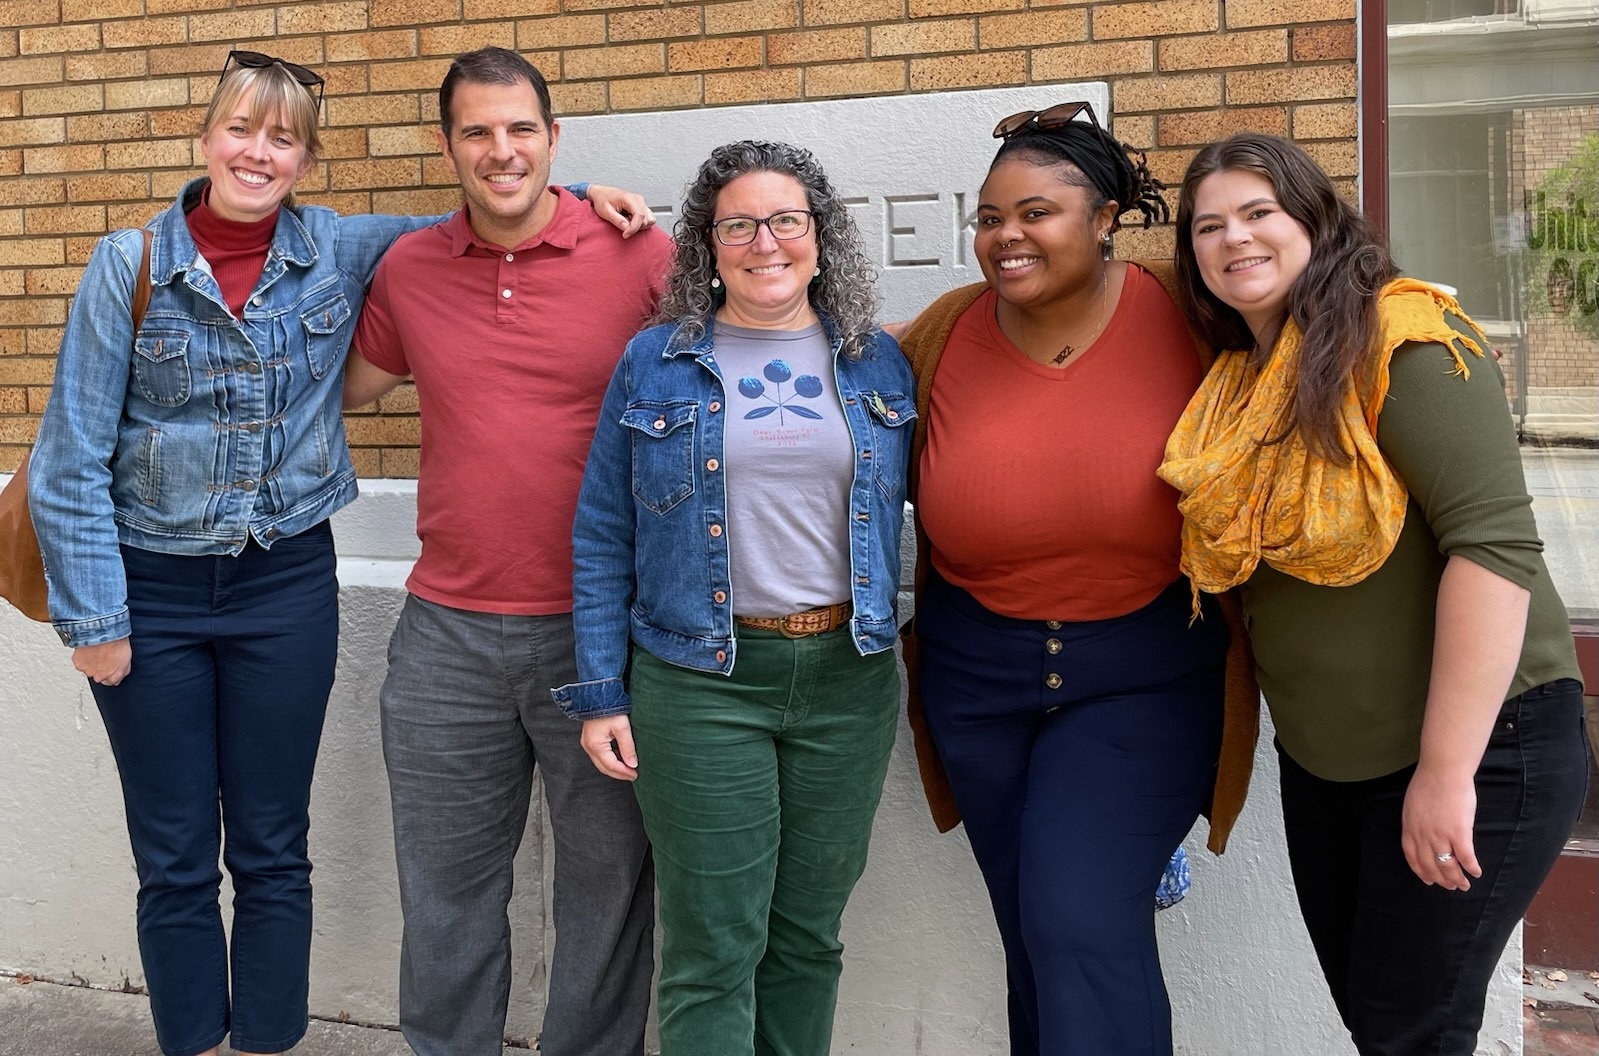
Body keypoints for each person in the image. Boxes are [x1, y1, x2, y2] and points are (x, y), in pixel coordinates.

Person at [25, 50, 647, 1056]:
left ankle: (272, 1040)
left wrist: (579, 195)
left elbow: (503, 210)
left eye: (282, 137)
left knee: (281, 851)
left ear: (307, 158)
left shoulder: (353, 247)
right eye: (241, 130)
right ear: (206, 139)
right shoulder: (133, 263)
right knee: (182, 855)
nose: (258, 153)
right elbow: (67, 459)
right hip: (174, 590)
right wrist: (93, 618)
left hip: (314, 590)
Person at [1161, 132, 1589, 1055]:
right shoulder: (1235, 385)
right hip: (1327, 768)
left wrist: (1444, 775)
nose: (1233, 238)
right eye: (1208, 226)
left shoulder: (1402, 337)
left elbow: (1494, 547)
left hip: (1480, 750)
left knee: (1410, 1030)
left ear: (1314, 219)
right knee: (1381, 1023)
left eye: (1257, 213)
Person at [894, 103, 1259, 1056]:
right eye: (987, 217)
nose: (1004, 236)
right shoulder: (940, 336)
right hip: (976, 683)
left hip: (1143, 674)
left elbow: (1321, 322)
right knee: (1035, 936)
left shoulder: (1191, 312)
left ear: (1103, 219)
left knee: (1077, 922)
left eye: (1035, 212)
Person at [340, 47, 671, 1056]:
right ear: (447, 147)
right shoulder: (410, 266)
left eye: (521, 128)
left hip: (602, 637)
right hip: (447, 636)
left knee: (608, 900)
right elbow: (350, 389)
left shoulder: (639, 254)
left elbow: (737, 347)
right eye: (477, 132)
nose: (501, 150)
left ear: (554, 139)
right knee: (446, 899)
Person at [555, 139, 915, 1056]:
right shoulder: (655, 363)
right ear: (707, 247)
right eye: (739, 225)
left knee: (806, 939)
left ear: (821, 238)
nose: (766, 242)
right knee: (714, 946)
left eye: (786, 220)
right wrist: (601, 691)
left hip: (848, 678)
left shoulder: (877, 364)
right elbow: (603, 533)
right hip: (699, 681)